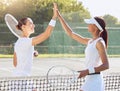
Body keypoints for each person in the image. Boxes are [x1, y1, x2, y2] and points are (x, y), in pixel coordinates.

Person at [56, 5, 109, 91]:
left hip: (95, 81)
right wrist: (59, 16)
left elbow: (106, 65)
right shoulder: (90, 41)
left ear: (95, 27)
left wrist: (87, 71)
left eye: (90, 23)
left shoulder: (99, 43)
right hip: (89, 79)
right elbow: (71, 33)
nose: (88, 25)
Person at [13, 3, 57, 77]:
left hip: (22, 78)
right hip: (22, 80)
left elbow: (15, 63)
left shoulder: (19, 42)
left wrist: (31, 53)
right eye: (30, 24)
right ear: (23, 27)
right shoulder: (25, 42)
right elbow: (46, 34)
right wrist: (54, 17)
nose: (33, 25)